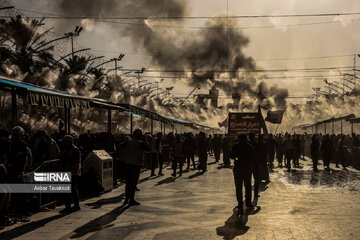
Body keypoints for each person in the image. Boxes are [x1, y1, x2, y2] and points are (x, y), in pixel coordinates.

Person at [7, 126, 31, 221]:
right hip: (11, 171)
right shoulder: (11, 144)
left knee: (20, 192)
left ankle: (21, 211)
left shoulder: (22, 145)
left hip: (17, 171)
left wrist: (21, 171)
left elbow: (23, 159)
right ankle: (13, 211)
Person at [123, 129, 149, 206]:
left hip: (128, 164)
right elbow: (148, 148)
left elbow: (121, 147)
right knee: (133, 183)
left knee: (128, 183)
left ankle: (127, 198)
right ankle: (131, 199)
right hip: (136, 165)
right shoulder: (141, 143)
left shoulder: (128, 142)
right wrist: (145, 140)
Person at [230, 134, 255, 213]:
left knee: (238, 187)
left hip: (238, 169)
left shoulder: (235, 146)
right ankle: (248, 203)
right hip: (247, 169)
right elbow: (253, 158)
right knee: (248, 187)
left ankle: (240, 204)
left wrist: (238, 158)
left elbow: (232, 156)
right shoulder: (250, 147)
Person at [59, 135, 81, 213]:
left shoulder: (75, 150)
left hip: (73, 172)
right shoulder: (65, 150)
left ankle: (76, 205)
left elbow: (74, 160)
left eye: (65, 142)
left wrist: (65, 157)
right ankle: (68, 206)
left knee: (73, 189)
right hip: (66, 171)